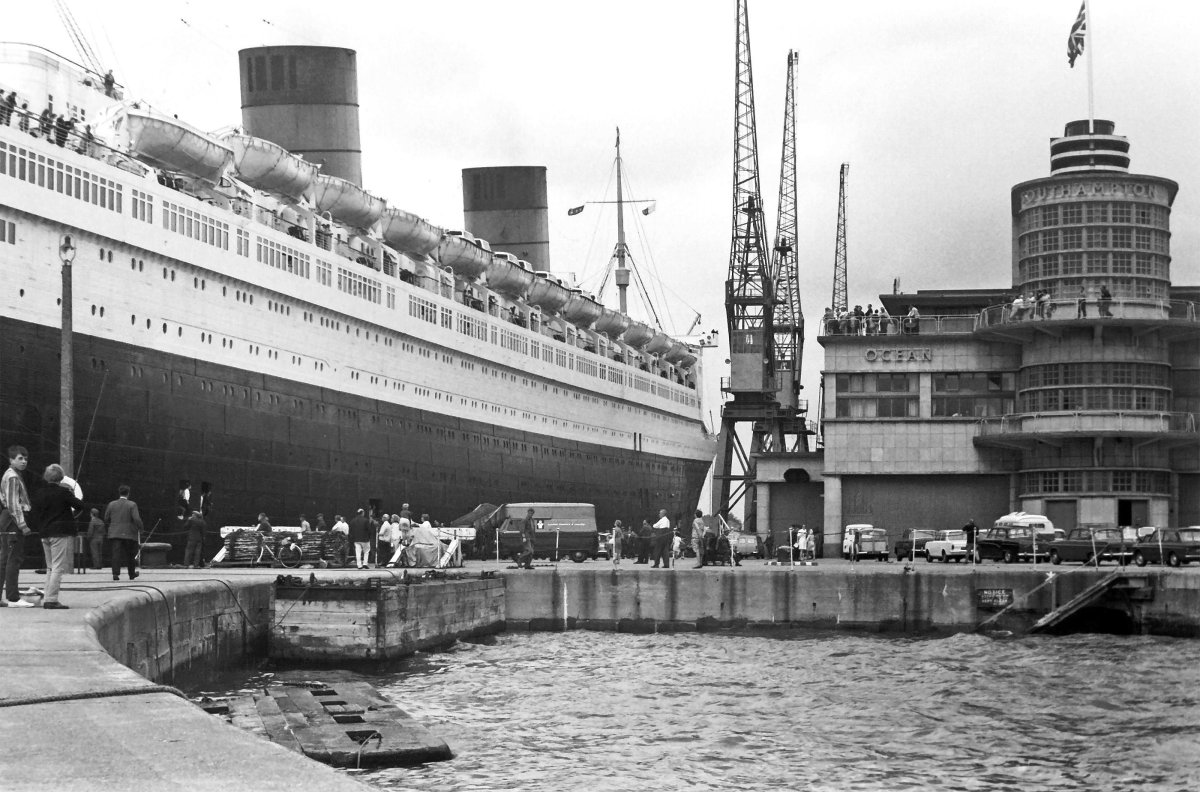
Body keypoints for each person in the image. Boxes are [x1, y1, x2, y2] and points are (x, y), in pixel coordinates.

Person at [32, 464, 85, 609]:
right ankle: (51, 600)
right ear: (61, 477)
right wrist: (71, 494)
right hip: (59, 533)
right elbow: (80, 505)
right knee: (57, 567)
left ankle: (47, 597)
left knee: (50, 567)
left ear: (46, 477)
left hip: (44, 532)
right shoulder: (64, 492)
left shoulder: (39, 493)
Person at [0, 446, 35, 607]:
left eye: (25, 458)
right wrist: (23, 525)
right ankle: (13, 598)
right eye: (20, 458)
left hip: (7, 518)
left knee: (5, 558)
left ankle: (2, 597)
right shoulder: (13, 477)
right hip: (13, 519)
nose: (24, 461)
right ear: (11, 460)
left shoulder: (10, 475)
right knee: (14, 558)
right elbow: (14, 504)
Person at [103, 485, 143, 581]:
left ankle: (115, 574)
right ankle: (131, 574)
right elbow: (136, 518)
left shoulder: (111, 504)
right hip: (129, 533)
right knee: (130, 554)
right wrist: (141, 528)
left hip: (115, 533)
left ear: (119, 493)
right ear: (128, 493)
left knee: (116, 554)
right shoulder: (132, 504)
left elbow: (106, 518)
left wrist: (112, 526)